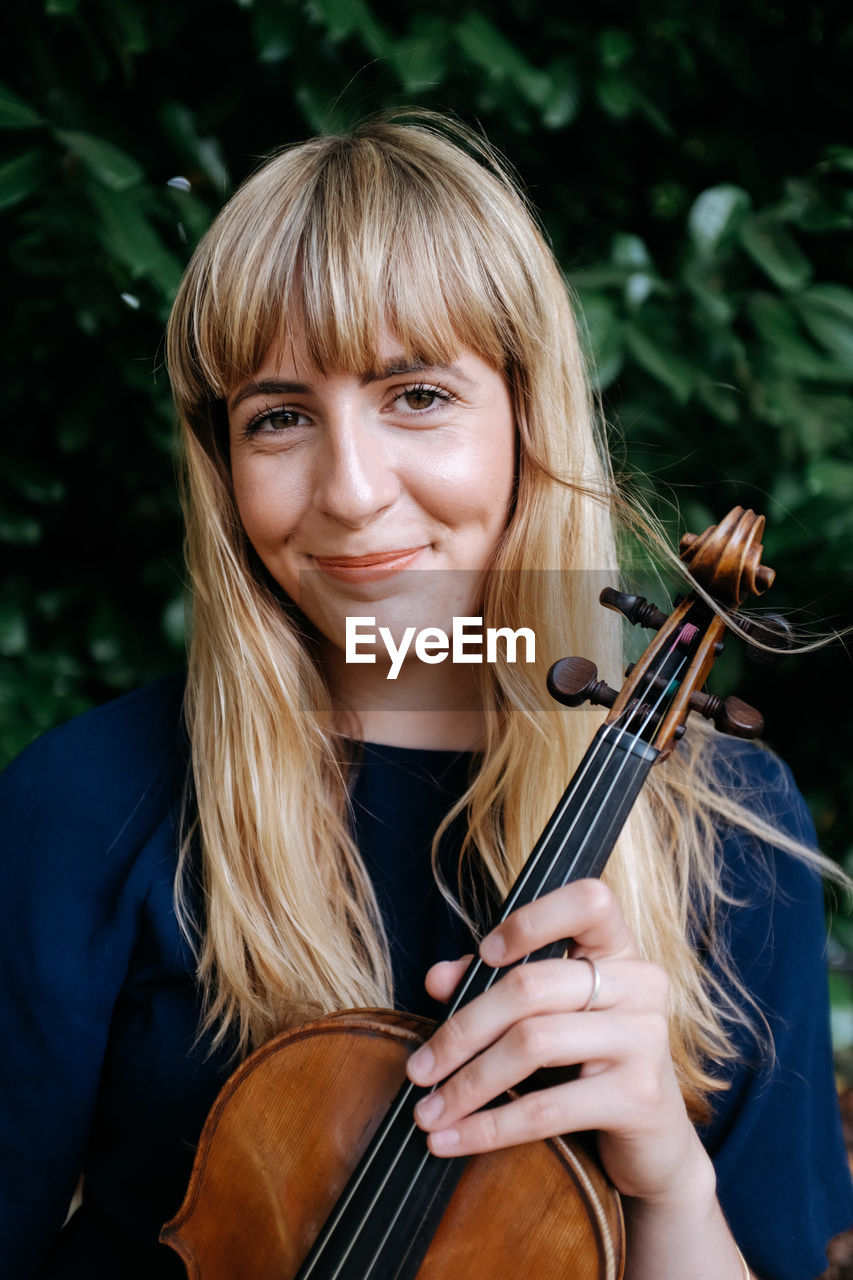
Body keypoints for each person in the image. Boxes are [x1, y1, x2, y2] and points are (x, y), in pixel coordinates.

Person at [1, 114, 850, 1280]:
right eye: (281, 416)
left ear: (525, 416)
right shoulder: (80, 806)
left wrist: (668, 1184)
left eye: (415, 396)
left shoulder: (731, 836)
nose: (349, 492)